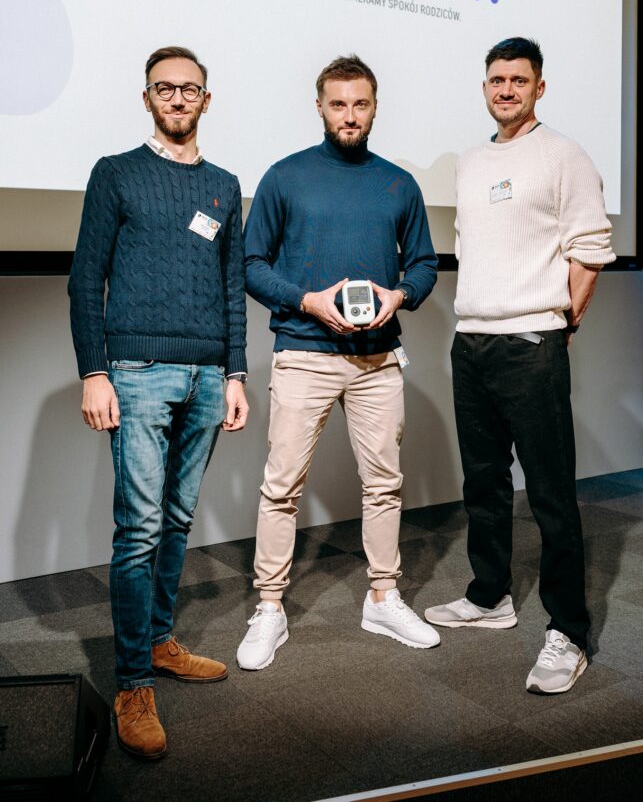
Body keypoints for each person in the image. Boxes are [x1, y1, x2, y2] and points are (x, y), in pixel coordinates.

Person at [68, 46, 248, 759]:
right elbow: (86, 279)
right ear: (147, 97)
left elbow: (232, 288)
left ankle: (159, 640)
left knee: (176, 519)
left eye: (189, 89)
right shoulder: (115, 173)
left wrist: (236, 374)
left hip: (208, 375)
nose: (177, 98)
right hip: (136, 371)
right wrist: (94, 371)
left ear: (207, 99)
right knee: (139, 529)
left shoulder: (225, 186)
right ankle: (133, 683)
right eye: (164, 88)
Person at [236, 54, 440, 670]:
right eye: (338, 104)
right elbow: (251, 264)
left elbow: (424, 264)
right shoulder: (285, 177)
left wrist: (398, 296)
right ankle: (269, 607)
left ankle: (383, 597)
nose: (349, 115)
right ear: (320, 107)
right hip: (304, 353)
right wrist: (308, 301)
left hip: (377, 359)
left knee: (384, 484)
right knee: (281, 488)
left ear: (374, 108)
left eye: (360, 104)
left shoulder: (399, 184)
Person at [424, 37, 615, 694]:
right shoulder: (472, 161)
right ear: (485, 87)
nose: (506, 89)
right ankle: (490, 596)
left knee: (551, 496)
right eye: (497, 80)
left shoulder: (564, 155)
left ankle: (569, 631)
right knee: (483, 484)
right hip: (472, 341)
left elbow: (590, 251)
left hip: (532, 343)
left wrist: (560, 327)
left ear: (539, 87)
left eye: (519, 80)